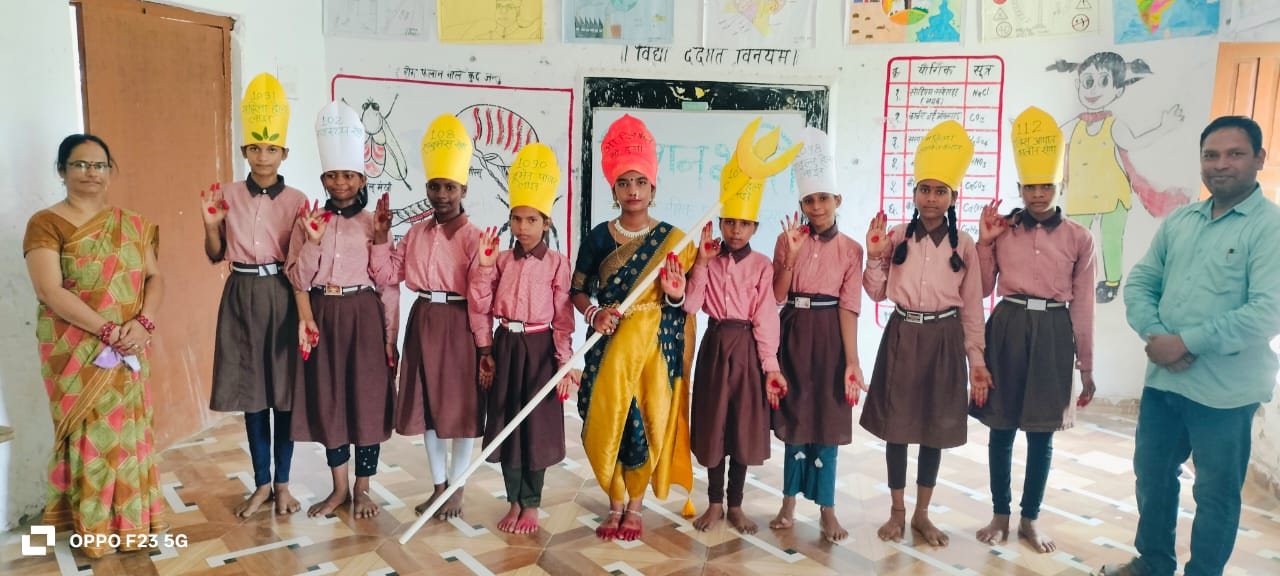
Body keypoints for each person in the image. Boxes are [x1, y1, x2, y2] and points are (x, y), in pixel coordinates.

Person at [1098, 116, 1280, 575]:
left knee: (1215, 494)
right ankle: (1153, 564)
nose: (1221, 164)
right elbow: (1141, 283)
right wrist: (1156, 335)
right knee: (1153, 477)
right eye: (1211, 155)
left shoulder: (1270, 227)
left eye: (1235, 154)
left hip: (1225, 394)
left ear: (1259, 158)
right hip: (1164, 385)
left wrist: (1185, 342)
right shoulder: (1181, 221)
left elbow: (1268, 311)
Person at [24, 134, 166, 558]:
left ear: (110, 171)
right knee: (88, 432)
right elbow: (48, 290)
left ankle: (131, 524)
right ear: (62, 170)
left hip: (131, 345)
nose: (91, 172)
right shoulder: (45, 223)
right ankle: (92, 530)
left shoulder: (134, 224)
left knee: (129, 431)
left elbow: (155, 278)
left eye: (99, 165)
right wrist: (108, 332)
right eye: (80, 164)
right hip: (76, 351)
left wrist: (143, 323)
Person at [972, 106, 1098, 553]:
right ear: (1020, 188)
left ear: (1059, 185)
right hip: (1007, 326)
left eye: (1047, 185)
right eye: (1031, 186)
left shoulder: (1079, 238)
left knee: (1041, 433)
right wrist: (984, 243)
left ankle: (1030, 518)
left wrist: (1086, 366)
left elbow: (1083, 303)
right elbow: (982, 287)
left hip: (1053, 332)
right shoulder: (1004, 230)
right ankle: (999, 513)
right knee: (1001, 427)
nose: (1039, 194)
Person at [862, 120, 992, 547]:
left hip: (943, 340)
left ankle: (922, 514)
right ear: (914, 194)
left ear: (953, 197)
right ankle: (897, 512)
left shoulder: (964, 245)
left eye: (940, 191)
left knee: (934, 428)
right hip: (902, 335)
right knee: (897, 427)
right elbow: (876, 291)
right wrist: (874, 255)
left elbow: (972, 307)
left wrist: (976, 360)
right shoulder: (896, 237)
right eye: (924, 190)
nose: (931, 198)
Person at [570, 114, 696, 542]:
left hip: (652, 351)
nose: (633, 191)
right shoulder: (597, 239)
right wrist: (594, 315)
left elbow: (683, 304)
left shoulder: (675, 241)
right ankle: (614, 503)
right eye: (624, 183)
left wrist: (675, 295)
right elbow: (578, 291)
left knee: (642, 421)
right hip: (607, 345)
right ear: (613, 190)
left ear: (653, 188)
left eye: (641, 182)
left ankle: (636, 506)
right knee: (609, 420)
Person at [202, 73, 309, 518]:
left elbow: (301, 262)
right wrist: (211, 225)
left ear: (284, 153)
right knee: (252, 395)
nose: (263, 156)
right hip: (240, 294)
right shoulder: (226, 195)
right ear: (244, 151)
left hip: (281, 297)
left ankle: (283, 484)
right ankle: (261, 483)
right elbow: (215, 254)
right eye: (255, 148)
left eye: (271, 148)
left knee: (283, 394)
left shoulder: (298, 200)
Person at [286, 101, 397, 519]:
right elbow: (298, 278)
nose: (340, 182)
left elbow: (386, 281)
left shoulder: (373, 222)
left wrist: (390, 338)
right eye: (332, 175)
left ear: (361, 178)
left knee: (365, 399)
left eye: (348, 175)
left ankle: (363, 489)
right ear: (322, 179)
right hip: (323, 316)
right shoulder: (308, 222)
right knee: (330, 398)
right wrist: (313, 241)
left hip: (363, 315)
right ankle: (339, 489)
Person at [370, 113, 483, 520]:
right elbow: (387, 274)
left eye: (449, 187)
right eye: (435, 186)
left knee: (460, 409)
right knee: (431, 408)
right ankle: (438, 487)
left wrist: (484, 343)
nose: (441, 195)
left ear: (463, 189)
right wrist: (381, 236)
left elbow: (481, 293)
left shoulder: (474, 237)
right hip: (423, 321)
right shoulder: (416, 233)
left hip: (459, 324)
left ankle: (458, 487)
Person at [469, 143, 577, 534]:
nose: (522, 227)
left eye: (531, 219)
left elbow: (563, 318)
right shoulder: (498, 260)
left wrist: (564, 363)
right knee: (506, 424)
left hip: (539, 350)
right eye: (516, 219)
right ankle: (512, 499)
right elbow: (480, 304)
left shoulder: (558, 264)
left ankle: (531, 503)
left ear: (546, 222)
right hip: (506, 347)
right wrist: (483, 269)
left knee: (535, 428)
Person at [767, 127, 865, 543]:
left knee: (827, 421)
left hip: (830, 340)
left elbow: (849, 306)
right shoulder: (786, 240)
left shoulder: (852, 250)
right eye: (809, 200)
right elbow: (777, 296)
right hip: (793, 333)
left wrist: (852, 360)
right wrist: (789, 258)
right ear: (801, 205)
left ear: (837, 200)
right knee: (795, 419)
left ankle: (827, 509)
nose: (817, 207)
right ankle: (788, 502)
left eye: (824, 198)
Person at [684, 145, 787, 535]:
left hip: (746, 350)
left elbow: (765, 317)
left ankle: (737, 504)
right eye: (729, 222)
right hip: (715, 345)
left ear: (755, 227)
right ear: (721, 223)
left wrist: (770, 366)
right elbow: (691, 305)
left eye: (744, 224)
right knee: (714, 424)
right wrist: (700, 264)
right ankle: (714, 503)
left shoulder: (762, 266)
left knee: (741, 425)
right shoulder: (708, 259)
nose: (735, 230)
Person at [1047, 52, 1187, 303]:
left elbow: (1135, 143)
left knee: (1110, 239)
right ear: (1079, 84)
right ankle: (1073, 279)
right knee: (1073, 240)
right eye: (1088, 82)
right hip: (1081, 195)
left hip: (1113, 195)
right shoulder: (1074, 125)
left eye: (1104, 82)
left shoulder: (1114, 125)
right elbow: (1053, 140)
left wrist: (1164, 127)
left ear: (1118, 90)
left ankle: (1111, 281)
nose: (1094, 89)